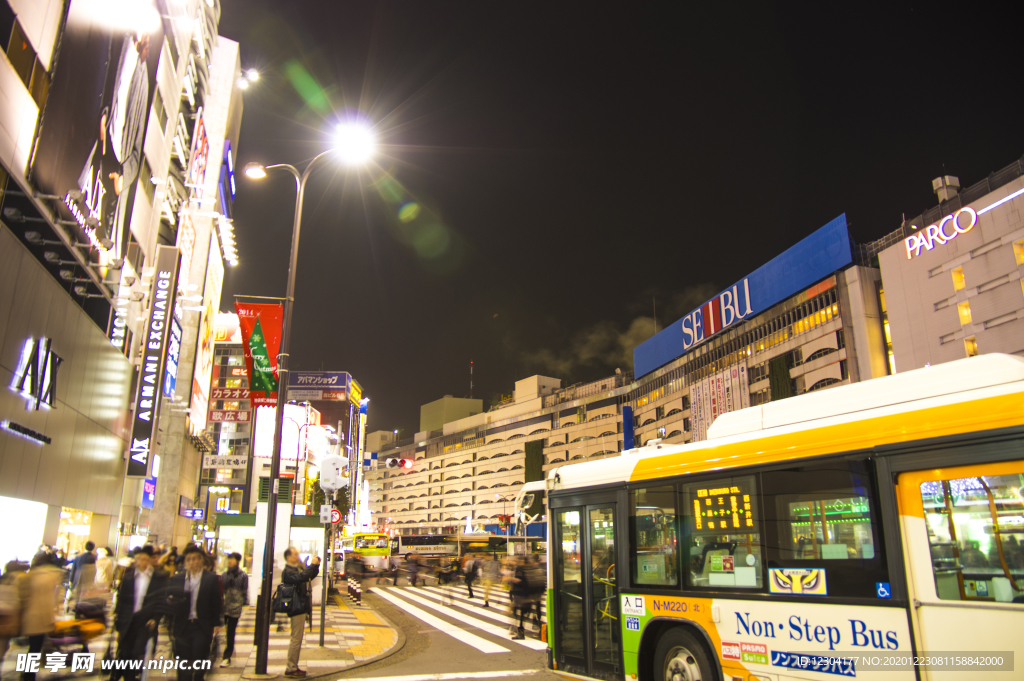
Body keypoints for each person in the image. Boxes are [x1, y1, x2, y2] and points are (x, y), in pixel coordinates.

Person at [111, 546, 168, 681]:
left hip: (145, 622)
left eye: (144, 559)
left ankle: (135, 675)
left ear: (149, 560)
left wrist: (155, 618)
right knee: (125, 653)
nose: (142, 562)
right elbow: (121, 599)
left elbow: (161, 600)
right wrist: (117, 620)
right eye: (139, 559)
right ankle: (129, 677)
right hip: (128, 621)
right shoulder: (128, 577)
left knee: (137, 652)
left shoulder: (158, 578)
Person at [168, 545, 222, 681]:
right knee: (182, 661)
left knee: (199, 656)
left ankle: (198, 677)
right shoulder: (176, 580)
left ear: (201, 560)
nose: (192, 562)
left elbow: (216, 602)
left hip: (201, 625)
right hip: (182, 626)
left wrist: (217, 623)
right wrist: (170, 601)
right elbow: (168, 601)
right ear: (185, 562)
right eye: (189, 559)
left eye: (196, 559)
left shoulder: (211, 579)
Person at [21, 552, 63, 681]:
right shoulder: (55, 574)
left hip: (30, 614)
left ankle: (28, 673)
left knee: (33, 646)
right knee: (36, 646)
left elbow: (25, 595)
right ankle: (28, 673)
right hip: (45, 614)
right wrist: (57, 611)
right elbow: (58, 596)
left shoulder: (31, 574)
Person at [281, 548, 320, 678]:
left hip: (300, 607)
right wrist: (313, 565)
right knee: (296, 638)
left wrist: (315, 566)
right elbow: (303, 577)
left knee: (297, 637)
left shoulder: (295, 570)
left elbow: (308, 576)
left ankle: (293, 666)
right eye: (295, 554)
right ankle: (291, 667)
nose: (297, 556)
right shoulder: (288, 572)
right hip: (296, 607)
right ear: (288, 557)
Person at [220, 552, 248, 668]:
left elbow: (244, 591)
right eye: (229, 559)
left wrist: (243, 604)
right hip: (224, 606)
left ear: (237, 561)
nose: (230, 561)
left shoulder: (243, 575)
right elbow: (221, 589)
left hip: (235, 607)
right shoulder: (225, 574)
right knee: (219, 630)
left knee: (230, 632)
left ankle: (227, 656)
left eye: (232, 559)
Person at [0, 560, 28, 667]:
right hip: (7, 619)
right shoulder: (17, 581)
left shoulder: (3, 579)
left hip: (6, 618)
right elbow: (18, 602)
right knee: (2, 647)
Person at [70, 541, 98, 606]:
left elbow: (74, 569)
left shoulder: (78, 557)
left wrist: (71, 580)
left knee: (78, 593)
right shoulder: (94, 558)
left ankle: (77, 607)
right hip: (89, 579)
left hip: (78, 578)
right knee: (86, 595)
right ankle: (83, 607)